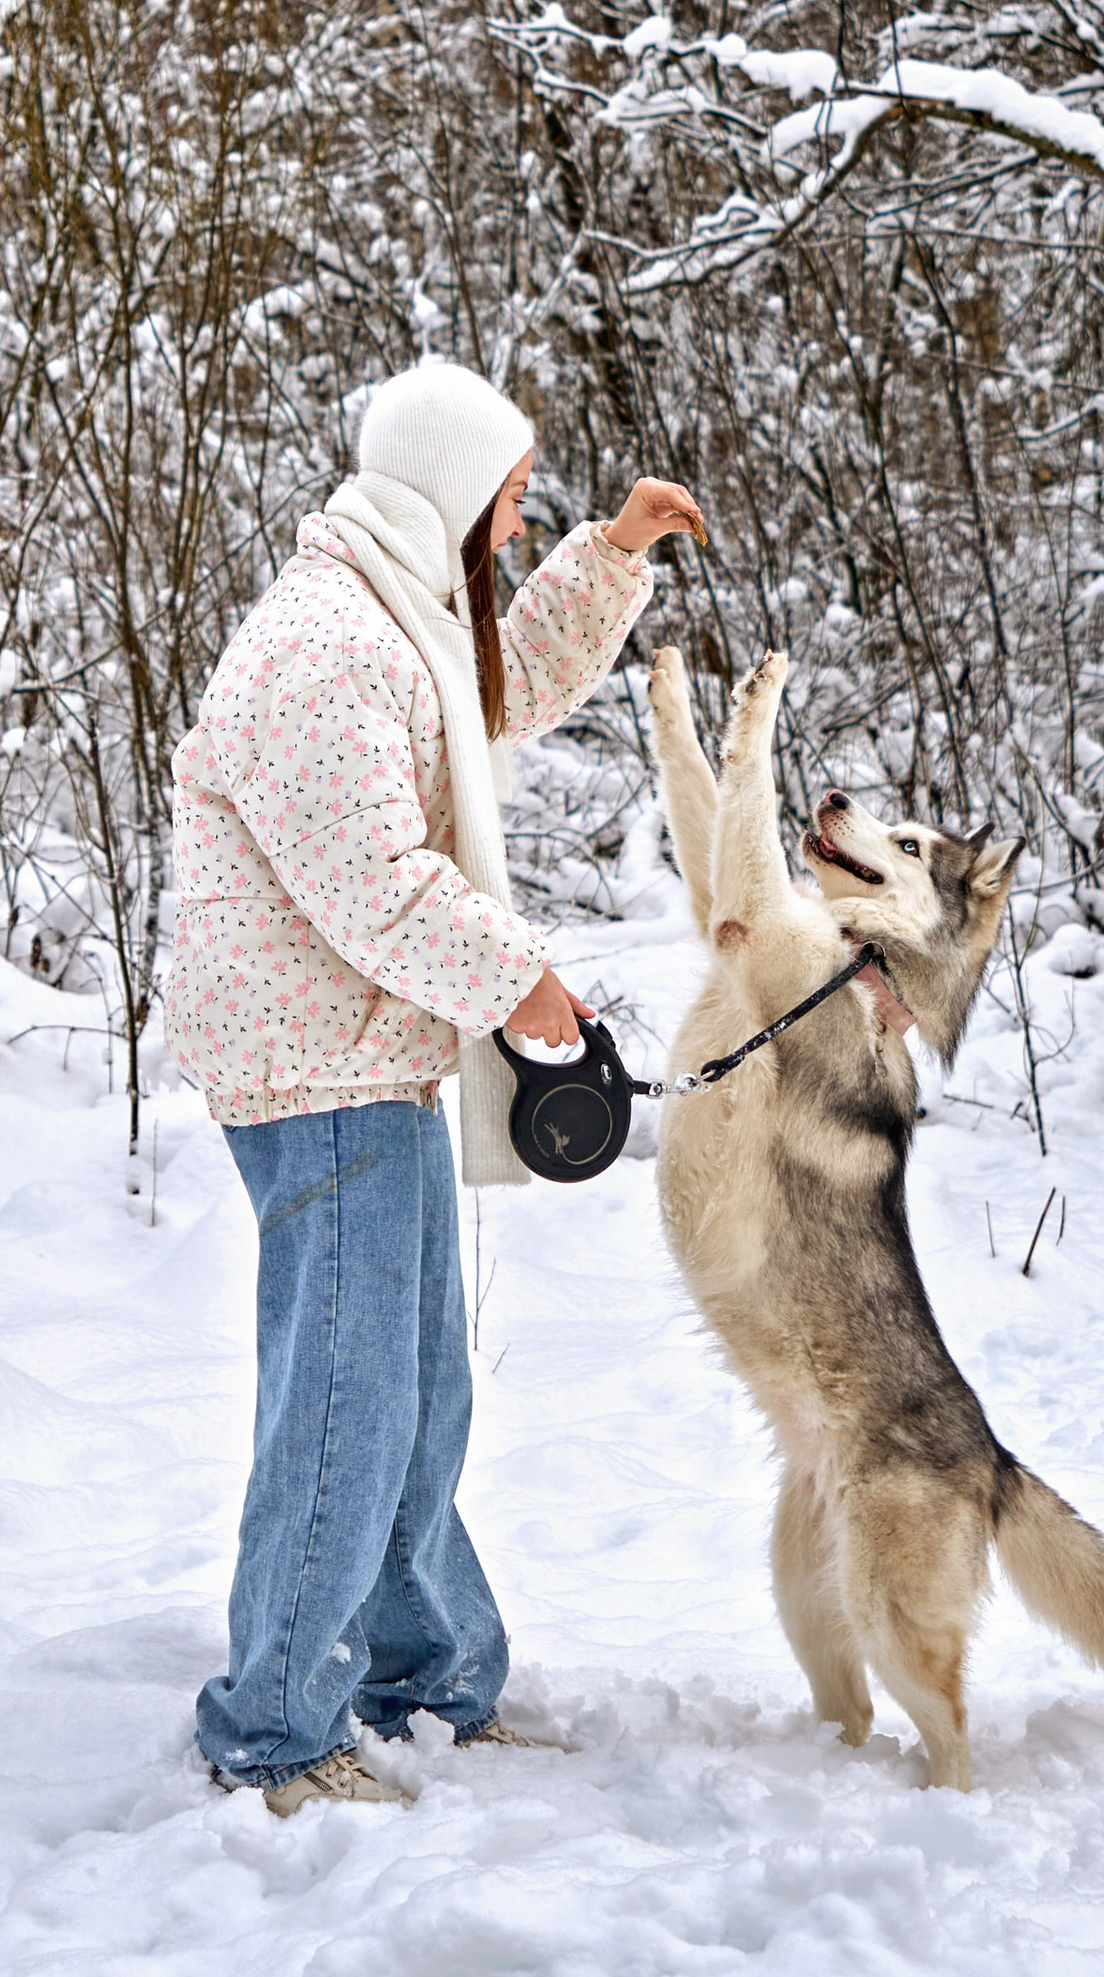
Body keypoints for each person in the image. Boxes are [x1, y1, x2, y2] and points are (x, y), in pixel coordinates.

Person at [167, 358, 705, 1817]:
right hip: (315, 1069)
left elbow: (500, 685)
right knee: (347, 1406)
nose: (519, 522)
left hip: (368, 1056)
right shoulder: (321, 645)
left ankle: (427, 1680)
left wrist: (614, 553)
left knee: (414, 1393)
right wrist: (523, 983)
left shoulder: (394, 617)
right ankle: (274, 1732)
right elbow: (370, 879)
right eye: (514, 499)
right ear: (451, 495)